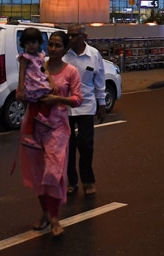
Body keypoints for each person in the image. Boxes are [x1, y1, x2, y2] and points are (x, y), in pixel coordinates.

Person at [20, 30, 82, 238]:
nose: (53, 49)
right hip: (34, 125)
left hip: (57, 128)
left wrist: (58, 100)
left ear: (65, 49)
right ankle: (45, 213)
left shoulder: (71, 71)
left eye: (58, 45)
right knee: (38, 173)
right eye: (51, 45)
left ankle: (55, 217)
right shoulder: (37, 64)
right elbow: (23, 88)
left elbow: (78, 99)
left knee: (52, 173)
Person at [63, 25, 106, 197]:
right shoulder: (63, 55)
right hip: (65, 106)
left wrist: (101, 104)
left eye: (75, 35)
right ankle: (72, 181)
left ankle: (88, 180)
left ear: (84, 37)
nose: (72, 38)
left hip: (87, 105)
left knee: (86, 145)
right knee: (68, 146)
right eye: (70, 35)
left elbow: (100, 81)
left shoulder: (94, 55)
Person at [16, 27, 54, 150]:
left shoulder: (41, 55)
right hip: (32, 86)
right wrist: (21, 89)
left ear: (39, 42)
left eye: (33, 42)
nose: (30, 45)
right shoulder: (25, 58)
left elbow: (45, 69)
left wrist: (51, 81)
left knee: (47, 100)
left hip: (40, 83)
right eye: (27, 43)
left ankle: (41, 118)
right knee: (33, 109)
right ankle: (29, 133)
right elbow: (21, 73)